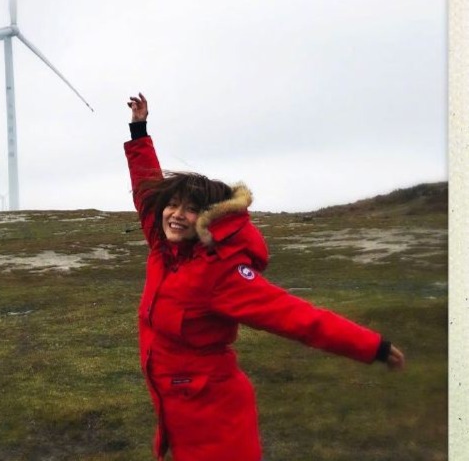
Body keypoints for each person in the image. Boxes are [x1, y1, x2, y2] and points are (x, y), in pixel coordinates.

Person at [124, 93, 405, 461]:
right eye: (172, 205)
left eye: (190, 210)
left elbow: (298, 318)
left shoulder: (221, 272)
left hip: (215, 421)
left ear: (207, 219)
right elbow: (147, 191)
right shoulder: (164, 247)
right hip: (179, 410)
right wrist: (139, 132)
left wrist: (373, 346)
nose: (176, 215)